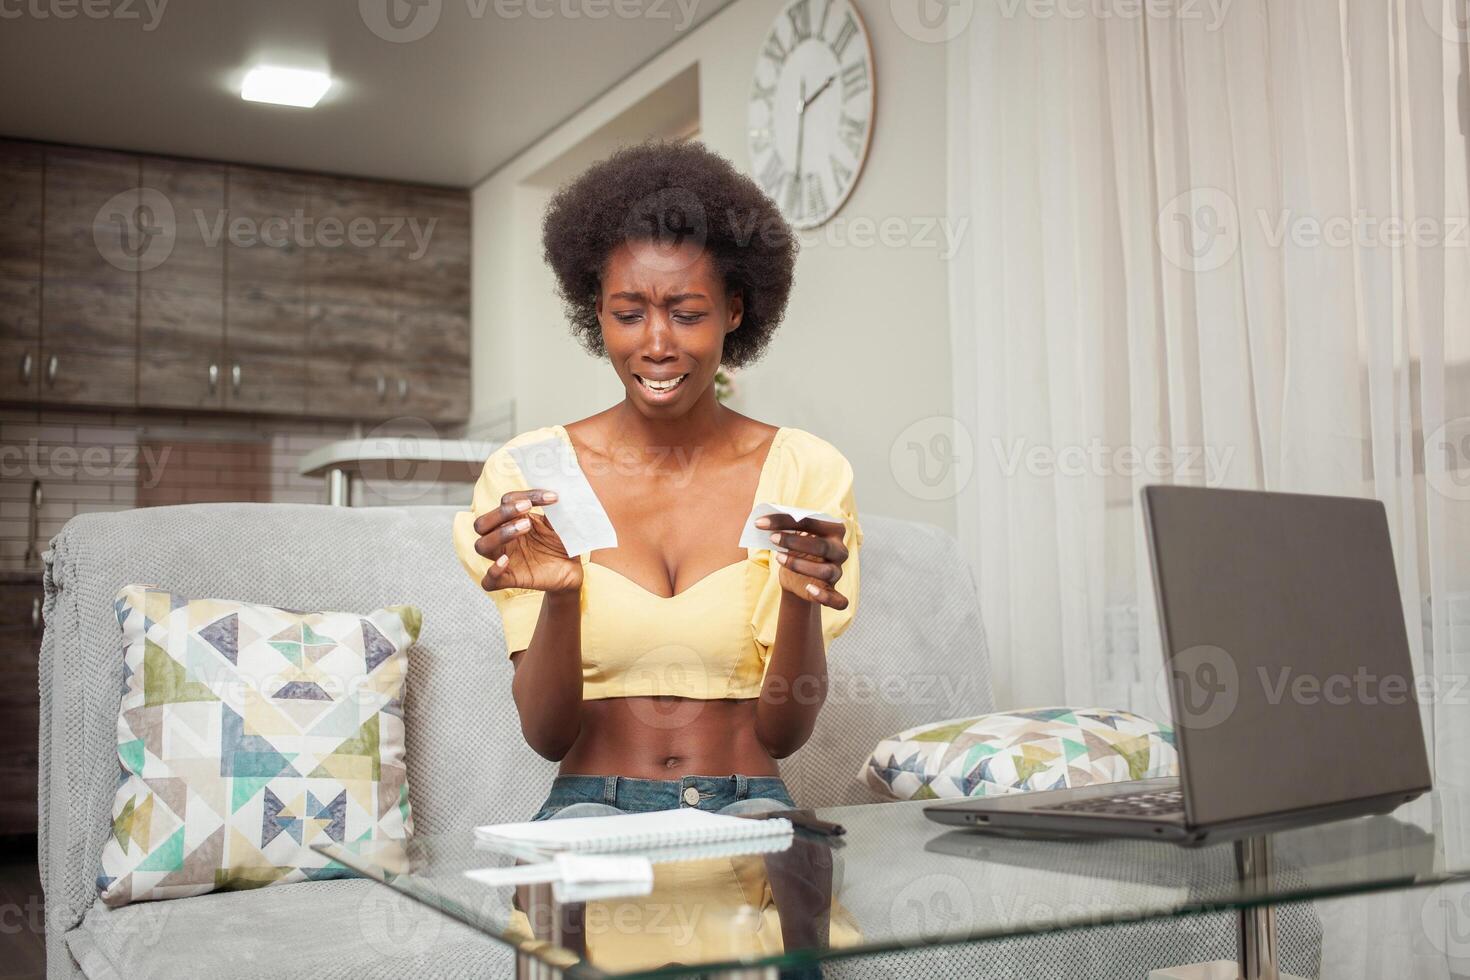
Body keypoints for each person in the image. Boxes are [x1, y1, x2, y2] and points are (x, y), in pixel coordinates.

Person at [452, 138, 864, 825]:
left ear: (735, 310)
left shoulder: (803, 471)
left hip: (751, 805)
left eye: (688, 312)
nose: (657, 343)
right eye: (628, 312)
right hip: (589, 807)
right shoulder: (536, 474)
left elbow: (784, 736)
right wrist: (561, 596)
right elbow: (547, 737)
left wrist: (799, 601)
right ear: (597, 312)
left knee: (798, 916)